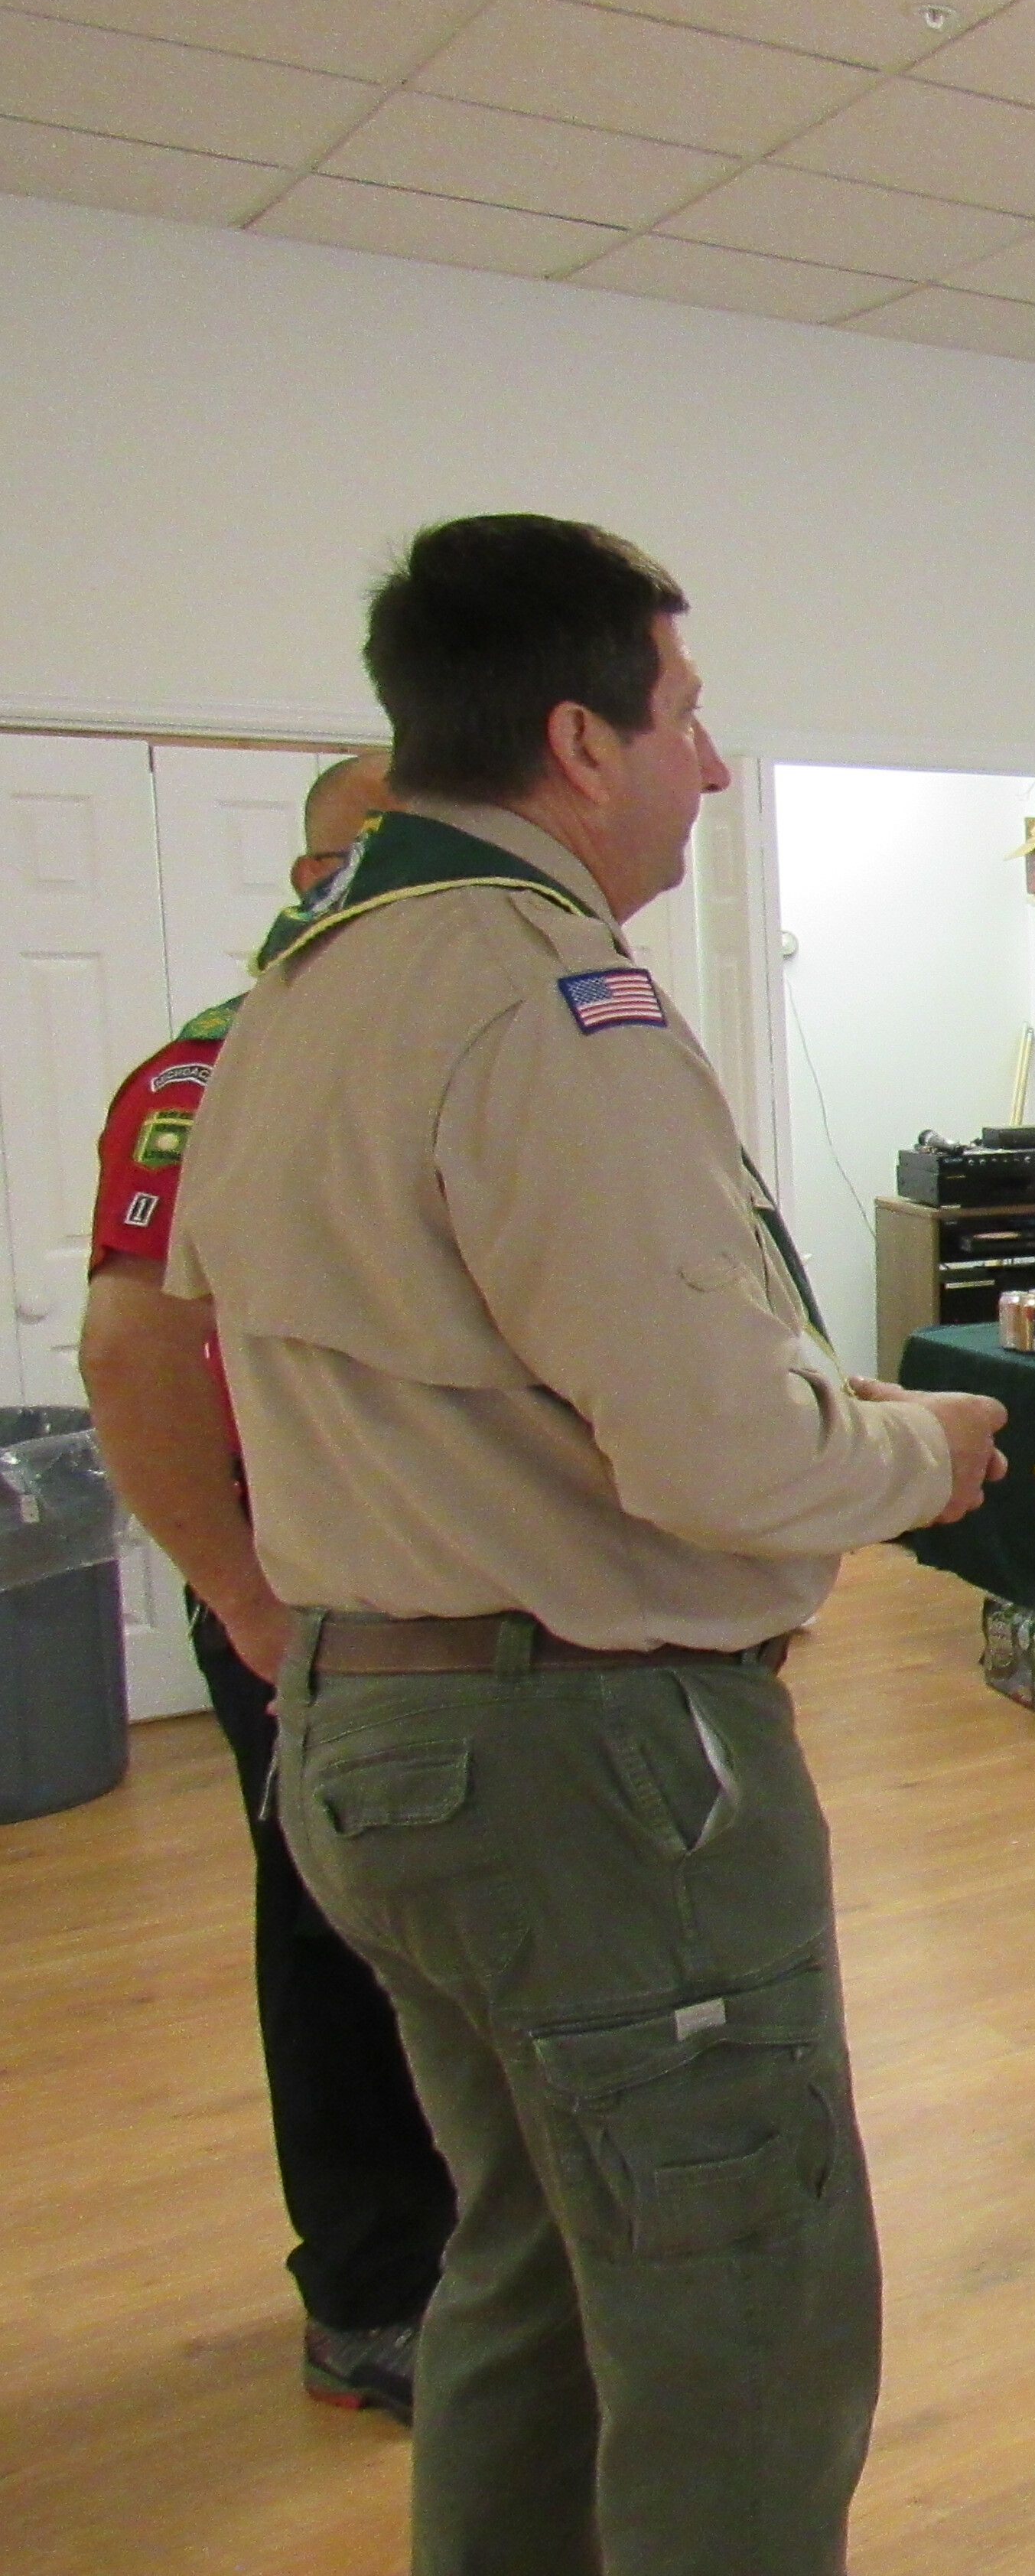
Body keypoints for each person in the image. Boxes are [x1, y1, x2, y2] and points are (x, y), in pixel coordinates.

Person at [171, 514, 1009, 2576]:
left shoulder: (295, 996)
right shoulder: (545, 1001)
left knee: (529, 2284)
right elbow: (715, 1450)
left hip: (383, 1729)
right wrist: (927, 1453)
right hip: (594, 1775)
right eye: (691, 720)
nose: (710, 771)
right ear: (577, 739)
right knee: (742, 2338)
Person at [76, 749, 456, 2427]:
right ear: (301, 876)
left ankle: (491, 2256)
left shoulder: (459, 1055)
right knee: (328, 1920)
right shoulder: (207, 1075)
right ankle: (371, 2288)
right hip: (293, 1573)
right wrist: (235, 1596)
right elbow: (132, 1349)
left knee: (458, 1928)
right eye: (350, 853)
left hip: (454, 1566)